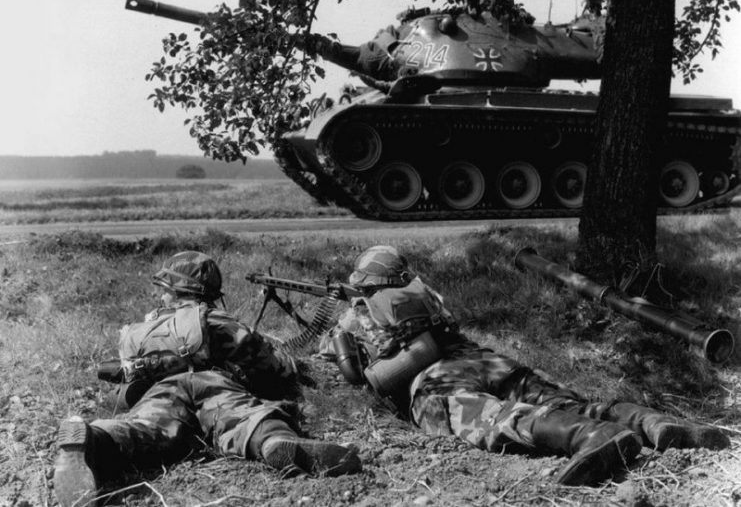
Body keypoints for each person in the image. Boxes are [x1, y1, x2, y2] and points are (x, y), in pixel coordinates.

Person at [324, 245, 729, 487]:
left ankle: (592, 437)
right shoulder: (423, 292)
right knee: (564, 399)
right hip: (484, 358)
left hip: (436, 379)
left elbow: (350, 373)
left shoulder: (358, 312)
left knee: (492, 419)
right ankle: (647, 421)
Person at [53, 251, 361, 507]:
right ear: (209, 292)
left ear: (171, 291)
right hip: (214, 384)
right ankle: (275, 441)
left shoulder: (141, 331)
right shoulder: (214, 320)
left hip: (162, 393)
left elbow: (126, 387)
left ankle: (97, 440)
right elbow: (274, 367)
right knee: (244, 418)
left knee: (146, 429)